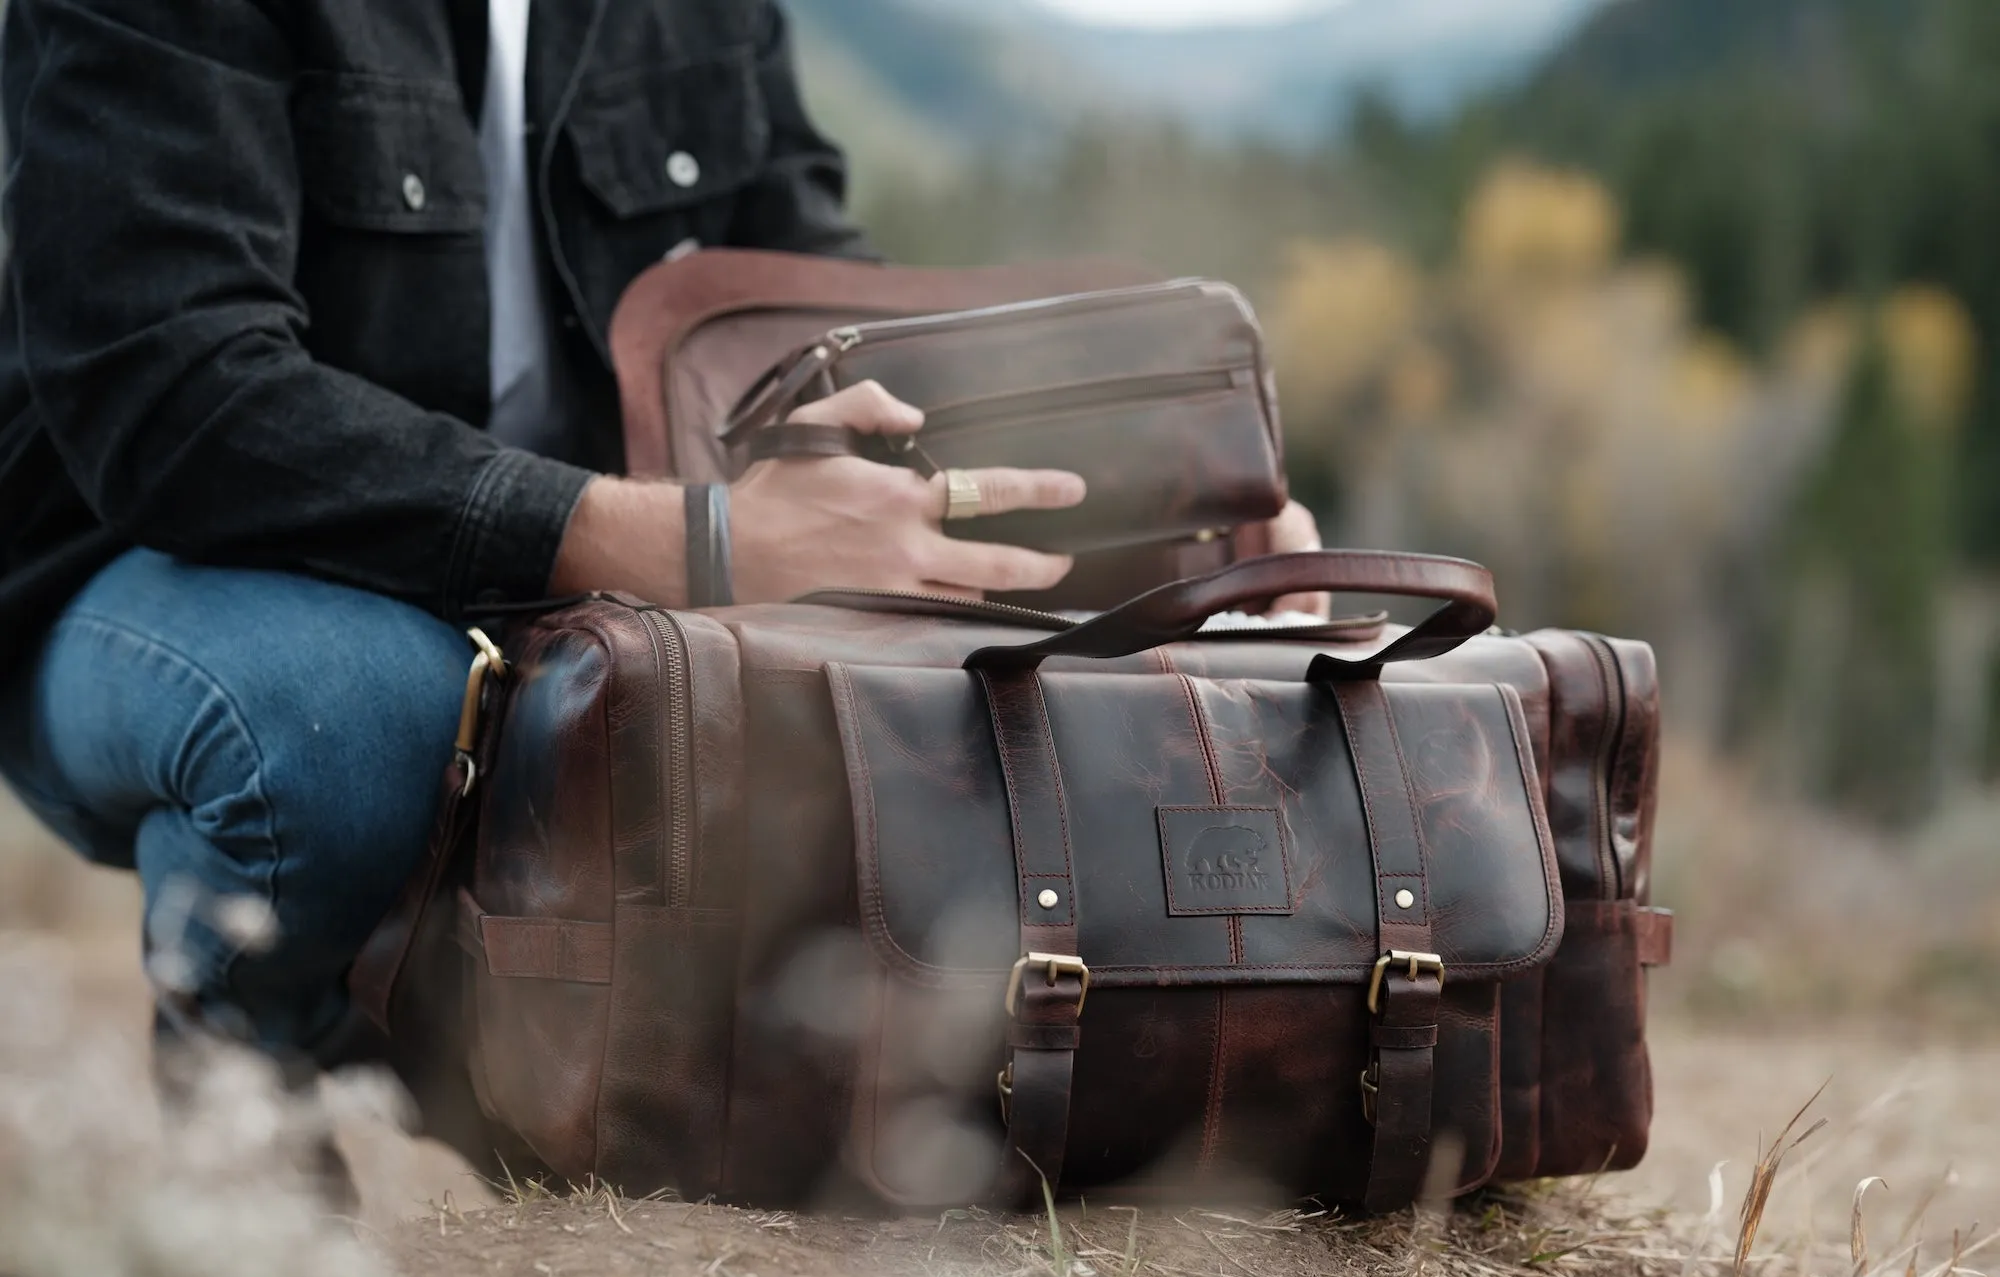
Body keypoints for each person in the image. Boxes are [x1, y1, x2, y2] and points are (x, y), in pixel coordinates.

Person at [0, 0, 1321, 1071]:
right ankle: (262, 1113)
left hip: (586, 555)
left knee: (876, 707)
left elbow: (807, 302)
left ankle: (534, 1067)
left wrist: (1157, 513)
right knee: (357, 716)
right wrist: (698, 544)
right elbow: (180, 400)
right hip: (144, 571)